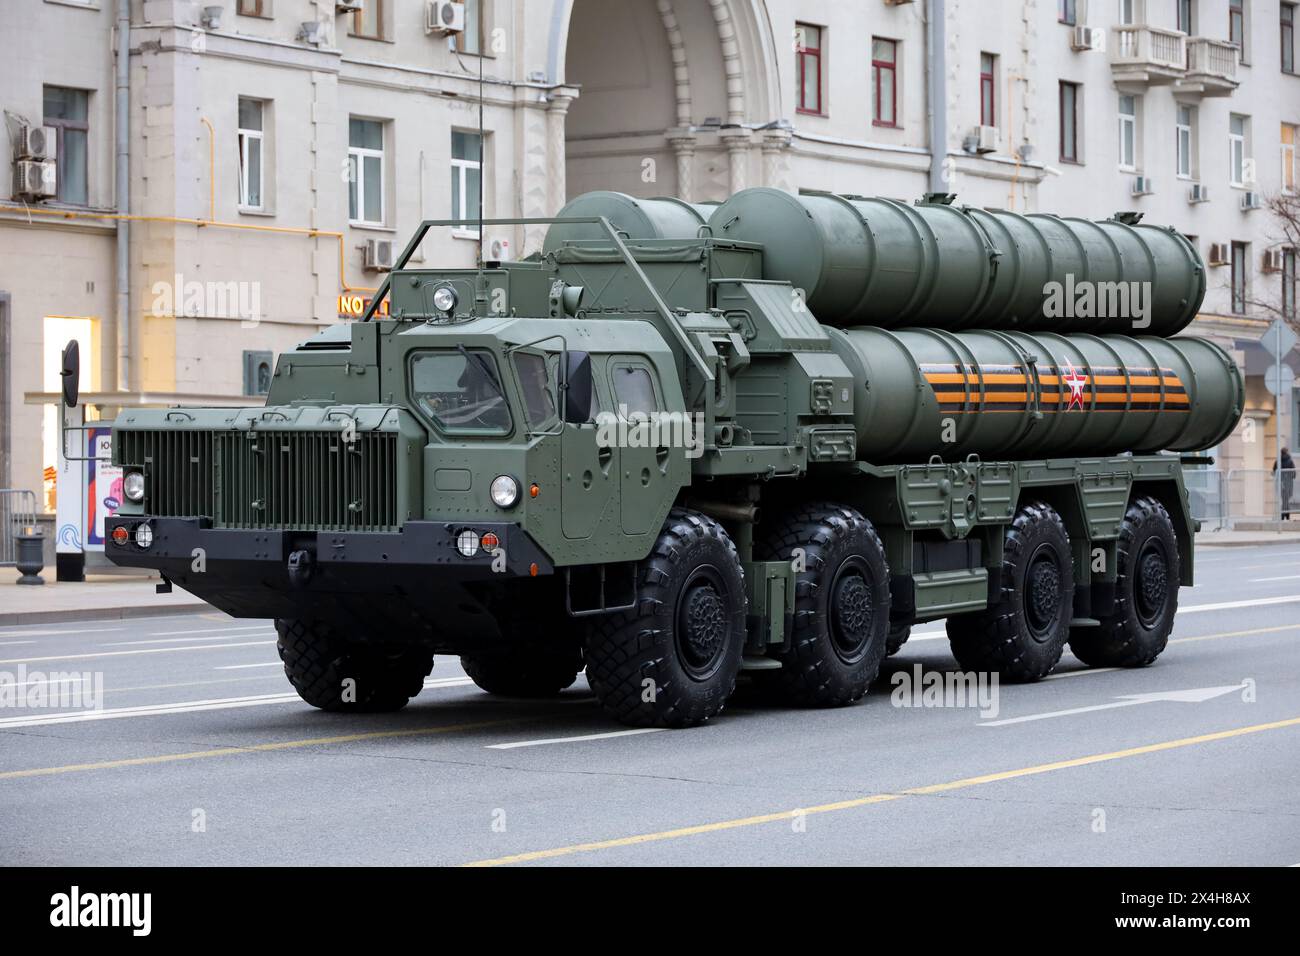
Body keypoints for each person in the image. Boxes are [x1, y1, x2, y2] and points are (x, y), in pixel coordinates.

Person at [1275, 447, 1296, 520]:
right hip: (1288, 484)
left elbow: (1274, 471)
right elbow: (1294, 473)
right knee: (1286, 500)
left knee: (1284, 500)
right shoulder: (1290, 461)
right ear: (1287, 452)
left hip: (1280, 483)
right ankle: (1286, 515)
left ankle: (1284, 515)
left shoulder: (1278, 461)